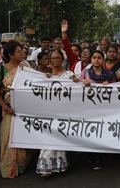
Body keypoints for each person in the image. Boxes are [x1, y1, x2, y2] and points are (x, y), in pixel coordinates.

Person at [0, 41, 34, 178]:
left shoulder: (26, 67)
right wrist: (4, 106)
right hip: (9, 109)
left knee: (23, 135)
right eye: (19, 51)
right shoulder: (1, 69)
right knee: (8, 137)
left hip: (25, 108)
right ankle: (9, 168)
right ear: (10, 54)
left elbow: (36, 82)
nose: (22, 53)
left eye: (22, 51)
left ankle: (21, 166)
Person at [36, 49, 80, 177]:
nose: (55, 60)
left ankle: (59, 165)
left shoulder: (69, 75)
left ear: (63, 60)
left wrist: (79, 82)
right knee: (47, 138)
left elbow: (78, 88)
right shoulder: (45, 76)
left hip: (63, 113)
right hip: (48, 112)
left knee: (59, 139)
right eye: (53, 58)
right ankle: (45, 168)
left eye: (58, 58)